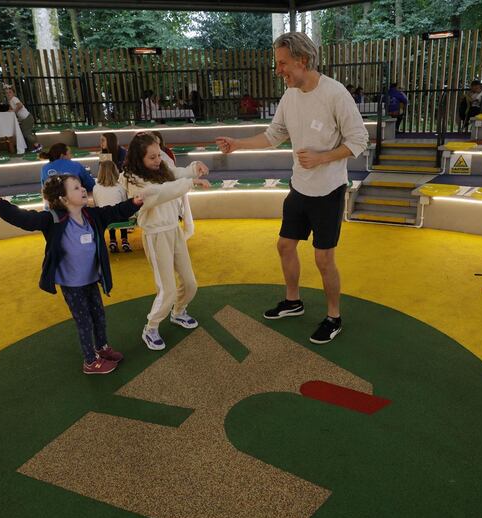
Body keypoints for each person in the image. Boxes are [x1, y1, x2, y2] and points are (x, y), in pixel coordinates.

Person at [216, 32, 369, 344]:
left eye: (283, 63)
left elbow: (359, 141)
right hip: (299, 187)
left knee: (324, 259)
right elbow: (274, 135)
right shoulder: (289, 97)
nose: (278, 70)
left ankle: (333, 316)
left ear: (303, 60)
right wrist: (238, 143)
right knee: (285, 245)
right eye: (277, 64)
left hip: (328, 191)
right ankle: (293, 301)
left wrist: (322, 157)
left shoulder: (335, 94)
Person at [0, 175, 142, 374]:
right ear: (63, 198)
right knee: (84, 321)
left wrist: (135, 202)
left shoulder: (91, 216)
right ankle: (90, 361)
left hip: (91, 279)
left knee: (98, 315)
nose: (83, 189)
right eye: (75, 188)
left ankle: (102, 347)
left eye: (81, 186)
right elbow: (24, 219)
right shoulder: (53, 219)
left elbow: (115, 211)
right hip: (72, 284)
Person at [119, 132, 210, 351]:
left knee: (190, 284)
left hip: (173, 231)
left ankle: (178, 312)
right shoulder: (132, 178)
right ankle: (151, 327)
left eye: (158, 155)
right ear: (139, 158)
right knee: (167, 289)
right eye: (152, 157)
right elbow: (157, 193)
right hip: (156, 234)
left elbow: (175, 173)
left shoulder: (160, 167)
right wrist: (190, 182)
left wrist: (194, 167)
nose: (158, 160)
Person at [93, 160, 132, 253]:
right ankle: (124, 240)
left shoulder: (96, 187)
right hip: (120, 217)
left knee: (107, 211)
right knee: (121, 211)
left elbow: (96, 204)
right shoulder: (120, 186)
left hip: (104, 219)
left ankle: (112, 240)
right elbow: (124, 202)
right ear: (115, 171)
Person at [4, 83, 41, 152]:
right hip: (25, 119)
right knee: (23, 133)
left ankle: (37, 145)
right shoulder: (10, 101)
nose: (8, 94)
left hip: (27, 118)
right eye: (6, 93)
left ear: (13, 93)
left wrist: (14, 111)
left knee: (26, 133)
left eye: (10, 92)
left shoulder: (14, 99)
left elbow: (20, 106)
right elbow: (11, 109)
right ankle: (29, 148)